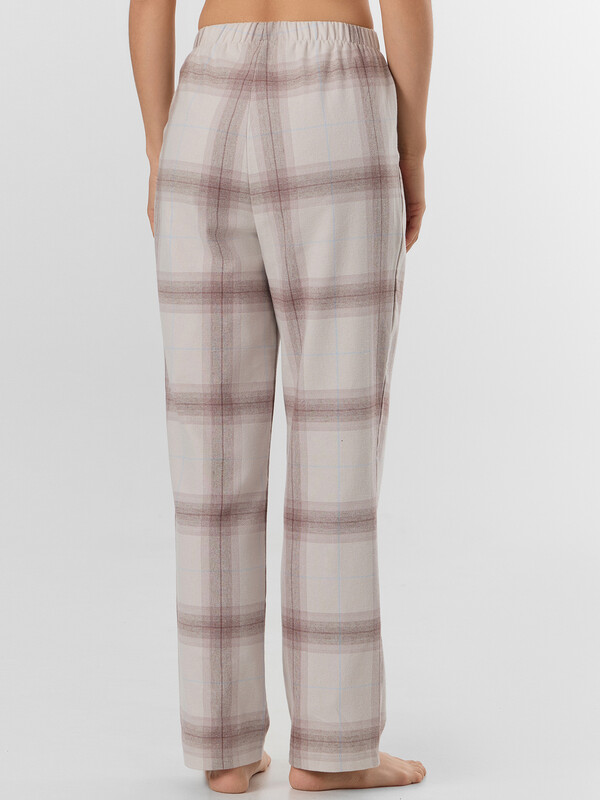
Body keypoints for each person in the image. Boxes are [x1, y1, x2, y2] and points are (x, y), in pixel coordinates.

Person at [129, 0, 432, 793]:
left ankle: (223, 745)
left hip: (207, 104)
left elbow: (148, 5)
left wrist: (161, 147)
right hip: (334, 102)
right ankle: (334, 747)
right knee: (337, 441)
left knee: (210, 455)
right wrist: (412, 148)